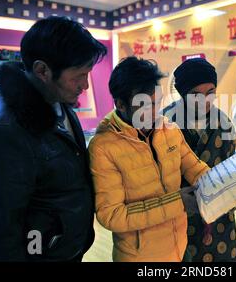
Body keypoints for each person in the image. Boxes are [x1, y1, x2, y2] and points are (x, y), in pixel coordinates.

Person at [0, 16, 107, 261]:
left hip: (67, 249)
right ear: (42, 70)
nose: (85, 85)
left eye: (88, 74)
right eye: (78, 76)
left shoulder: (60, 103)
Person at [88, 56, 209, 262]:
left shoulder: (169, 130)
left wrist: (227, 186)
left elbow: (196, 169)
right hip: (140, 256)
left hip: (179, 245)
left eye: (157, 103)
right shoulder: (103, 147)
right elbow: (112, 215)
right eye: (145, 106)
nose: (154, 113)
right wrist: (178, 203)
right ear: (121, 105)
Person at [164, 58, 236, 262]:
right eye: (196, 95)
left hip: (218, 224)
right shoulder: (163, 123)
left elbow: (231, 168)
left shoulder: (224, 124)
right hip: (175, 217)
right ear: (183, 94)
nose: (205, 101)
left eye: (210, 93)